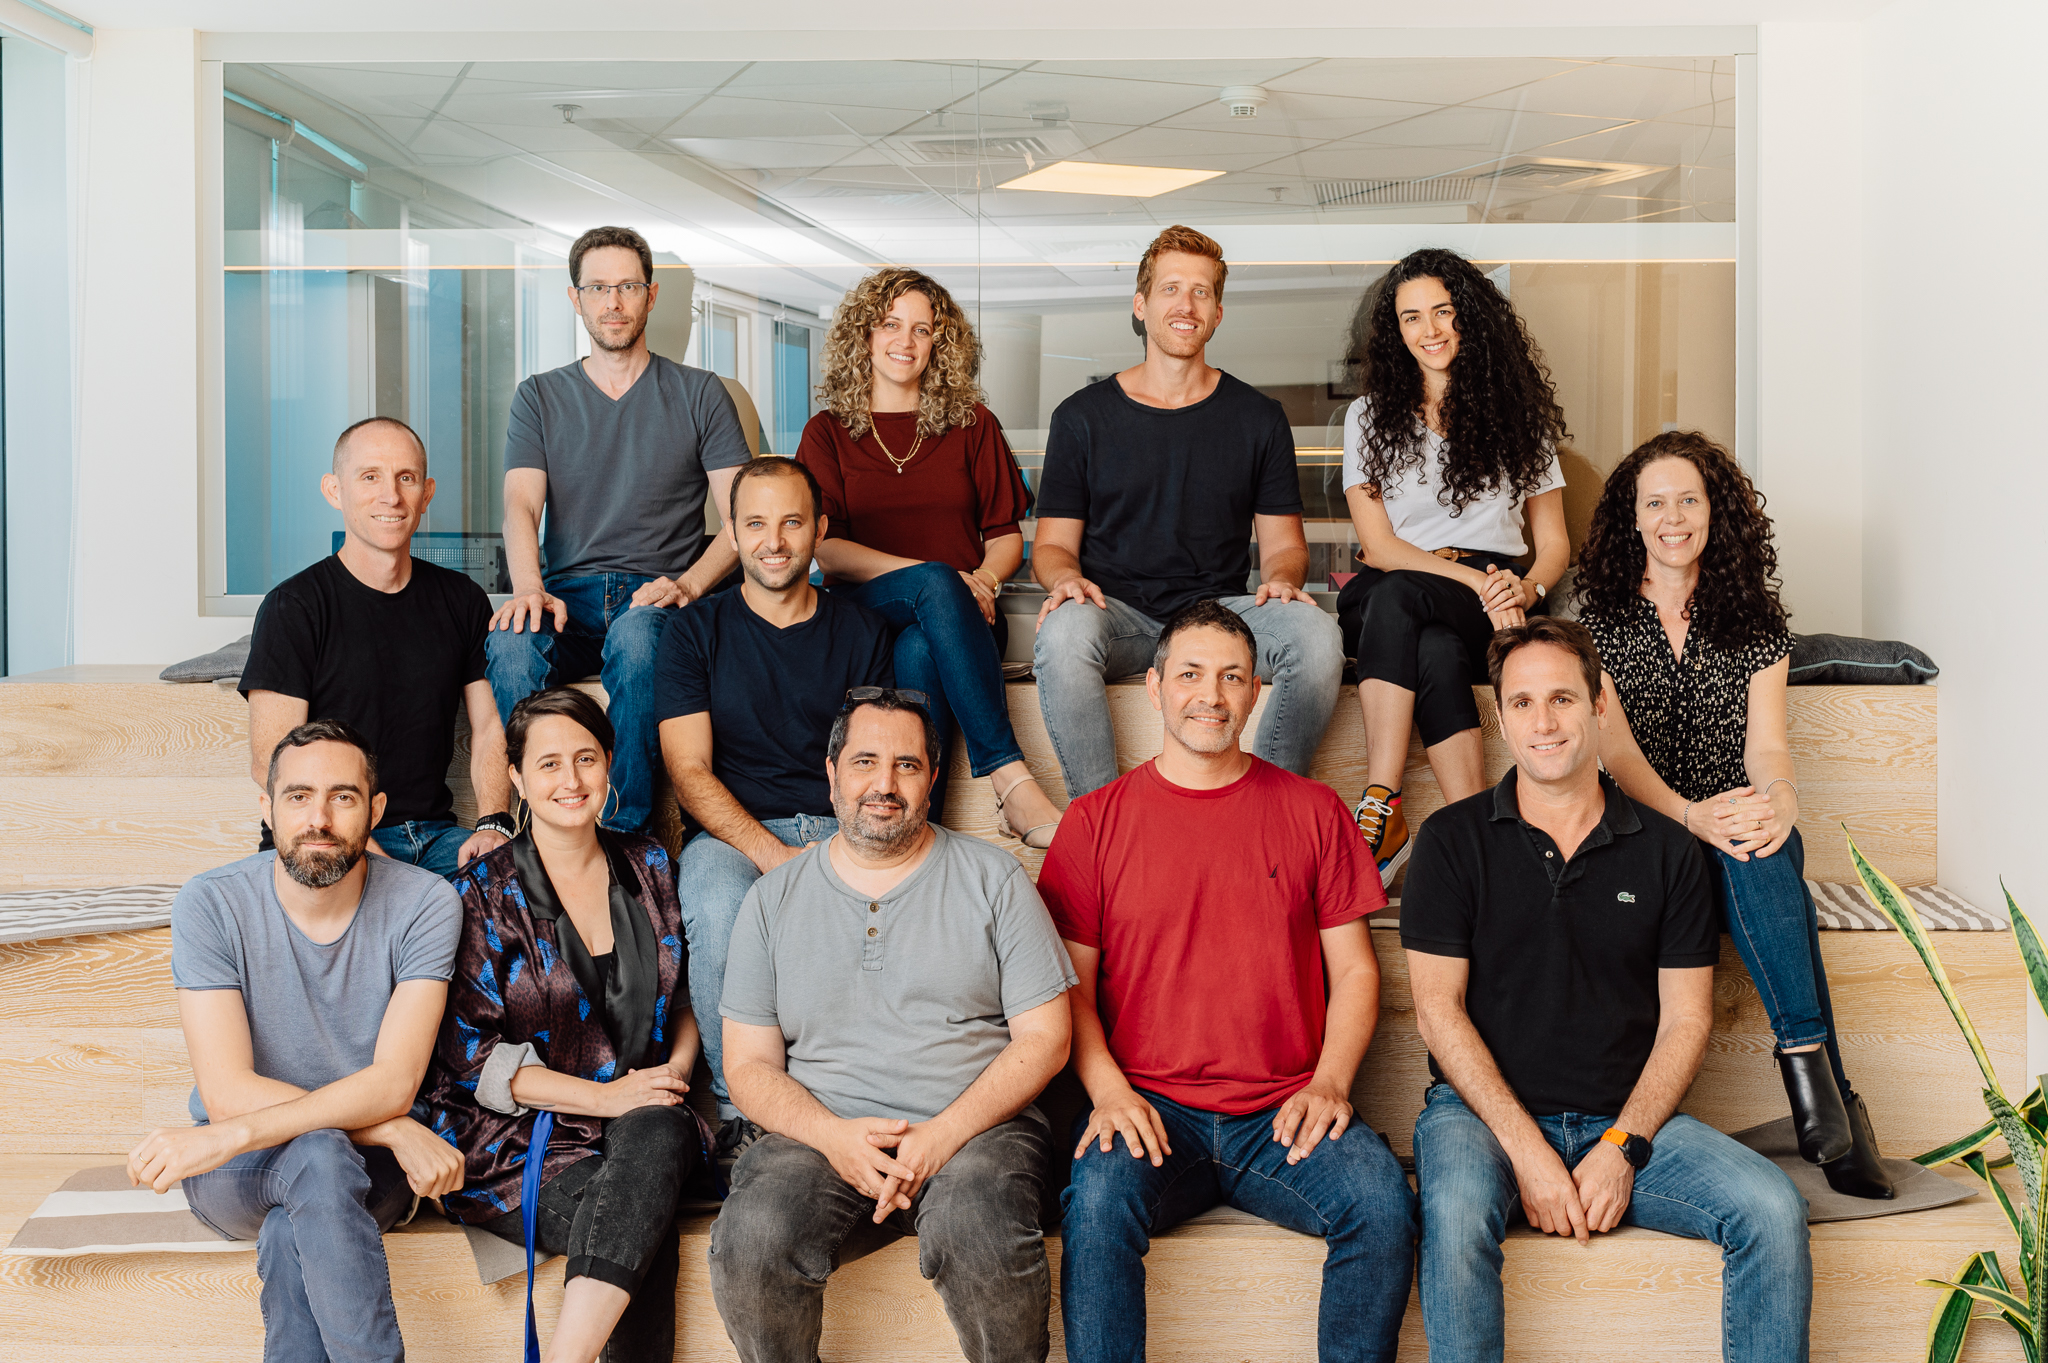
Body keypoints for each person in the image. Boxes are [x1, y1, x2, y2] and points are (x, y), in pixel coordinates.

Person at [1403, 618, 1812, 1363]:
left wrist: (1623, 1145)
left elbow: (1687, 1020)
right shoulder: (1450, 840)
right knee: (1456, 1215)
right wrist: (1528, 1152)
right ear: (1500, 717)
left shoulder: (1668, 851)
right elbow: (1437, 1011)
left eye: (1562, 698)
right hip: (1481, 1120)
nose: (1544, 721)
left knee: (1774, 1208)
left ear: (1598, 706)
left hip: (1623, 1121)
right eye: (1522, 703)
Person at [1039, 599, 1417, 1363]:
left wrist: (1331, 1081)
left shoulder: (1314, 812)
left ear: (1254, 694)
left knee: (1382, 1203)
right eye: (1190, 674)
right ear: (1153, 687)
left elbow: (1354, 972)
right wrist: (1109, 1090)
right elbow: (1069, 991)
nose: (1209, 694)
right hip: (1150, 1111)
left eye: (1231, 677)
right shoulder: (1093, 822)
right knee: (1097, 1206)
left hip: (1283, 1114)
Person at [707, 689, 1076, 1363]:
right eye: (865, 761)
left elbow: (1047, 1037)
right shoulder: (773, 898)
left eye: (907, 765)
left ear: (933, 778)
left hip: (977, 1130)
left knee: (979, 1224)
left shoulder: (994, 878)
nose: (884, 783)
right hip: (824, 1134)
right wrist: (833, 1136)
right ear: (832, 771)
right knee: (754, 1236)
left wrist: (940, 1136)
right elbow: (748, 1065)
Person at [1573, 431, 1892, 1197]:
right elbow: (1615, 759)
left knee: (1758, 840)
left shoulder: (1755, 622)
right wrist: (1693, 815)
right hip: (1641, 830)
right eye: (1656, 502)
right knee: (1742, 842)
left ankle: (1816, 1083)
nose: (1673, 516)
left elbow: (1768, 748)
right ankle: (1828, 1096)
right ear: (1633, 518)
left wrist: (1780, 801)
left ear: (1717, 512)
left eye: (1690, 499)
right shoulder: (1601, 623)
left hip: (1732, 828)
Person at [128, 720, 464, 1363]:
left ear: (376, 810)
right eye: (298, 796)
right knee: (318, 1155)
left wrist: (236, 1130)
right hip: (241, 1169)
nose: (319, 817)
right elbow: (228, 1093)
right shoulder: (211, 903)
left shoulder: (426, 902)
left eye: (342, 796)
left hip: (365, 1172)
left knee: (299, 1215)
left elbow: (394, 1083)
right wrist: (386, 1127)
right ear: (267, 808)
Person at [419, 687, 705, 1363]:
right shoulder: (481, 892)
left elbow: (685, 1001)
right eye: (548, 764)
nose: (570, 780)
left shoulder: (651, 863)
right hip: (522, 1146)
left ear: (609, 764)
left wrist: (677, 1070)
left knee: (658, 1134)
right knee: (638, 1224)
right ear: (515, 775)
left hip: (648, 1122)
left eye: (585, 758)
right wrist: (607, 1098)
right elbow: (474, 1060)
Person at [1031, 225, 1344, 800]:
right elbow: (1051, 547)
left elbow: (1284, 548)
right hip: (1116, 614)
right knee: (1064, 631)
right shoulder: (1081, 416)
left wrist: (1281, 580)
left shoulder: (1258, 416)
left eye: (1201, 292)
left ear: (1218, 312)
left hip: (1219, 617)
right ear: (1141, 304)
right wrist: (1065, 579)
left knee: (1318, 638)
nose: (1185, 304)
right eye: (1171, 288)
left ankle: (1270, 812)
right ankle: (1099, 821)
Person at [655, 456, 894, 1154]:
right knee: (714, 901)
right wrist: (772, 854)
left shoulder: (861, 632)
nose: (774, 541)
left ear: (819, 528)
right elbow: (688, 768)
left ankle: (857, 1099)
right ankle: (741, 1116)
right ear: (731, 532)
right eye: (755, 523)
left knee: (878, 900)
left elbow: (871, 762)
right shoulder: (695, 631)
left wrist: (837, 850)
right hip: (733, 835)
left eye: (792, 522)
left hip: (840, 827)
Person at [487, 224, 754, 835]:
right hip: (568, 598)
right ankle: (540, 823)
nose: (613, 302)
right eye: (598, 288)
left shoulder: (701, 394)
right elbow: (521, 507)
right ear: (575, 298)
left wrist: (687, 586)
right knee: (508, 645)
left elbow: (744, 518)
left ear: (651, 296)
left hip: (658, 595)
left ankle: (622, 832)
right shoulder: (539, 396)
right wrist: (527, 588)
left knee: (638, 641)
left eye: (627, 286)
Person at [795, 267, 1060, 841]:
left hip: (965, 619)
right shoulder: (828, 432)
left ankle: (919, 837)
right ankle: (1010, 779)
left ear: (941, 341)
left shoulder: (972, 424)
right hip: (865, 613)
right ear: (864, 335)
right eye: (891, 325)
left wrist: (983, 582)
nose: (906, 342)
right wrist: (937, 578)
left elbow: (1004, 534)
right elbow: (829, 552)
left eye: (922, 329)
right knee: (936, 585)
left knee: (922, 647)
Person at [1336, 248, 1571, 876]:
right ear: (1395, 332)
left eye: (1443, 312)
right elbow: (1380, 548)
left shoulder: (1521, 418)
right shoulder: (1367, 418)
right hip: (1406, 585)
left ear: (1470, 318)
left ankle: (1379, 812)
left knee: (1423, 620)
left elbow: (1553, 544)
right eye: (1411, 318)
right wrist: (1480, 582)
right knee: (1423, 636)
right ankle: (1479, 836)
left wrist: (1525, 589)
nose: (1429, 330)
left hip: (1492, 598)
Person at [243, 416, 513, 877]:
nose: (391, 495)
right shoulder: (293, 608)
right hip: (324, 837)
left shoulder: (462, 600)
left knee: (518, 897)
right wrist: (363, 846)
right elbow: (273, 761)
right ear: (334, 490)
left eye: (405, 478)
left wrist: (493, 822)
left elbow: (490, 727)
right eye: (370, 477)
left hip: (434, 836)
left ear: (426, 494)